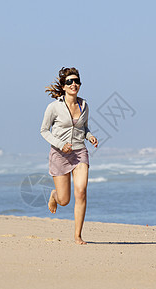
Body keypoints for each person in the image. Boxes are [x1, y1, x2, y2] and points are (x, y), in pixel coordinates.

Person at [40, 67, 98, 245]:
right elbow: (43, 131)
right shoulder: (54, 107)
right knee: (64, 200)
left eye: (76, 81)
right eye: (69, 82)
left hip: (80, 153)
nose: (74, 84)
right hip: (59, 155)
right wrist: (60, 145)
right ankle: (54, 195)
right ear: (63, 86)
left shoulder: (84, 105)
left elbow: (84, 127)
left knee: (81, 192)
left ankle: (77, 235)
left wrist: (90, 136)